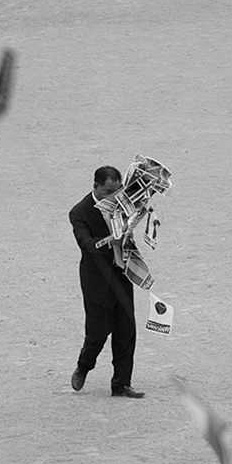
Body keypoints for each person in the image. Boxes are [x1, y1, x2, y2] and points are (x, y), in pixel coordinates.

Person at [68, 166, 145, 398]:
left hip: (121, 274)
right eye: (107, 191)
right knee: (98, 333)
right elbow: (86, 244)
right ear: (95, 187)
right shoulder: (79, 212)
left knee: (126, 329)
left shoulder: (122, 204)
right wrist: (110, 240)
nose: (112, 195)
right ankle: (84, 366)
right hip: (96, 280)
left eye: (116, 190)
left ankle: (121, 384)